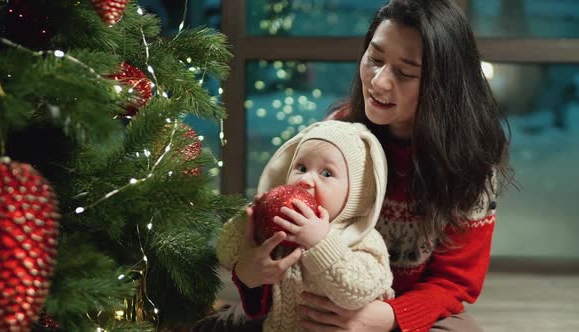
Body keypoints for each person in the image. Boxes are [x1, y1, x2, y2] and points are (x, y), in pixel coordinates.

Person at [295, 0, 513, 331]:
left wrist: (389, 317)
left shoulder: (471, 160)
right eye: (375, 59)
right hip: (330, 295)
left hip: (406, 310)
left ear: (444, 83)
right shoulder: (339, 132)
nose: (380, 82)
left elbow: (454, 283)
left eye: (406, 73)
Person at [211, 120, 395, 332]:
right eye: (301, 168)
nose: (306, 180)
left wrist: (320, 242)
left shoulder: (362, 239)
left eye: (326, 174)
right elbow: (225, 253)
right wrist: (252, 217)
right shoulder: (280, 229)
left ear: (357, 194)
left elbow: (357, 291)